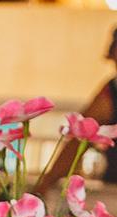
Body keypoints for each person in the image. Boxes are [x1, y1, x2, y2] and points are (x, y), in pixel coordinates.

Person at [47, 25, 117, 186]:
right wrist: (48, 181)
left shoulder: (110, 93)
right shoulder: (110, 91)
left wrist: (46, 182)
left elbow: (80, 136)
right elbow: (80, 136)